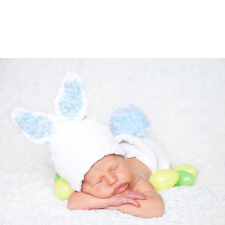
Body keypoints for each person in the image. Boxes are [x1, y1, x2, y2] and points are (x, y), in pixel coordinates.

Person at [68, 153, 165, 218]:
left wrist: (118, 205)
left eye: (115, 168)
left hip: (142, 153)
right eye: (99, 181)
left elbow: (156, 208)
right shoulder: (86, 178)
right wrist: (110, 201)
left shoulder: (134, 179)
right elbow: (73, 201)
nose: (112, 179)